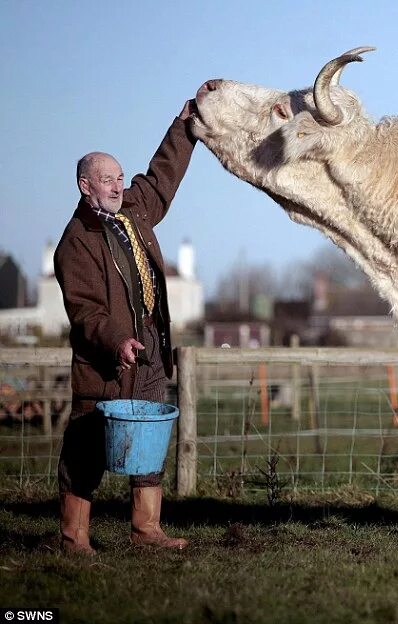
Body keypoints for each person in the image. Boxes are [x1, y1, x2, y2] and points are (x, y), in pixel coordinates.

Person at [54, 83, 215, 554]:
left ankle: (147, 532)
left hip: (149, 348)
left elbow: (162, 175)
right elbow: (86, 312)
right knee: (86, 447)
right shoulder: (76, 242)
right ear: (86, 186)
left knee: (147, 440)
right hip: (106, 360)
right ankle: (73, 538)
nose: (118, 186)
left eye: (121, 177)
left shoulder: (134, 210)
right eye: (108, 180)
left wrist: (186, 124)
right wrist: (118, 340)